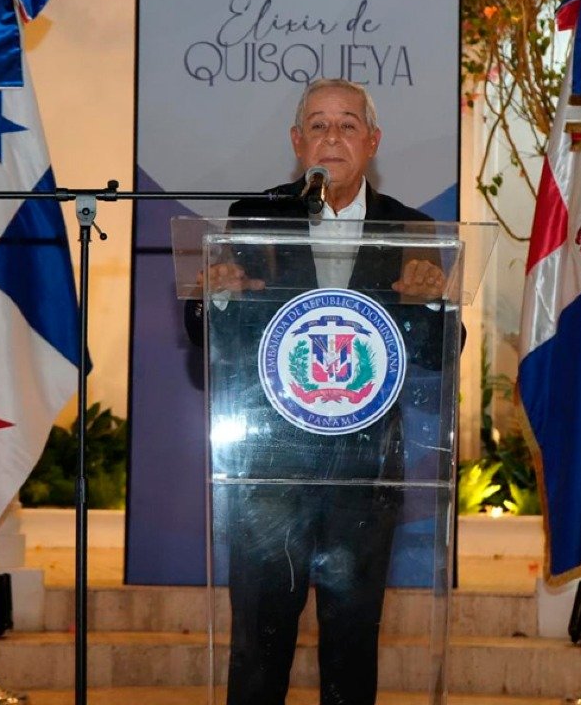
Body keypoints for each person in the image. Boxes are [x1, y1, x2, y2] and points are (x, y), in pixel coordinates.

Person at [185, 78, 452, 705]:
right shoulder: (257, 219)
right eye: (318, 125)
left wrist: (431, 303)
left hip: (365, 475)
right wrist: (215, 296)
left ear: (373, 141)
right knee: (259, 646)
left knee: (351, 647)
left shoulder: (411, 230)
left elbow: (439, 350)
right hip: (270, 473)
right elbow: (213, 338)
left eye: (348, 125)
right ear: (297, 141)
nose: (333, 137)